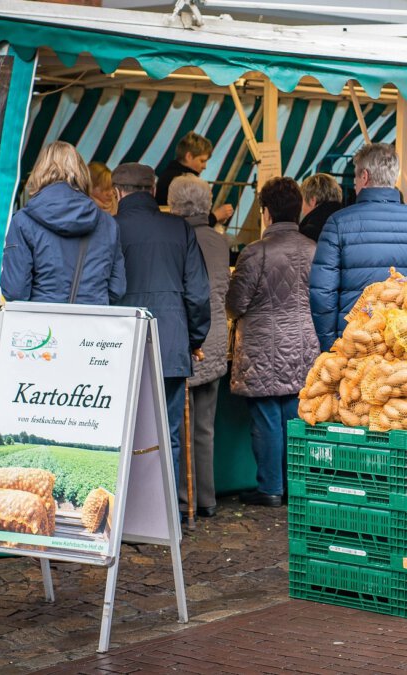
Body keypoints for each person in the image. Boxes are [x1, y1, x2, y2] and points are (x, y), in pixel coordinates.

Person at [113, 162, 211, 493]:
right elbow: (198, 294)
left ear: (116, 193)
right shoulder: (179, 229)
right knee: (168, 433)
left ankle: (125, 515)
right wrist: (193, 339)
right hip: (170, 344)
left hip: (117, 347)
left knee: (119, 430)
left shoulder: (108, 229)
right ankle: (167, 516)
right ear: (153, 191)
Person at [227, 177, 320, 507]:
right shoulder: (314, 250)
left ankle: (270, 487)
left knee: (266, 419)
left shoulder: (255, 253)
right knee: (295, 418)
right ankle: (295, 484)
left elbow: (236, 303)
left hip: (263, 348)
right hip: (304, 346)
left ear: (265, 213)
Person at [310, 143, 407, 351]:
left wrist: (331, 346)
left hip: (355, 346)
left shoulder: (338, 224)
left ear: (364, 176)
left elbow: (322, 295)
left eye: (356, 178)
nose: (355, 184)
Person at [168, 174, 229, 519]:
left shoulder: (176, 239)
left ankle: (183, 498)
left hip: (189, 340)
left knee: (179, 425)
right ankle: (206, 498)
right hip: (217, 339)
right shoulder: (220, 242)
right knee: (205, 426)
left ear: (175, 205)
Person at [1, 141, 125, 305]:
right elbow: (117, 289)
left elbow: (15, 291)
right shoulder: (108, 223)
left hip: (43, 326)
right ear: (82, 172)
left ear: (39, 171)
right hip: (92, 325)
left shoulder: (22, 221)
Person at [156, 131, 234, 226]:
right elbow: (190, 222)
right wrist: (216, 216)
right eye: (202, 161)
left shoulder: (167, 175)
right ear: (189, 156)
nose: (204, 166)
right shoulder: (182, 182)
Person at [299, 173, 343, 242]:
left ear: (312, 200)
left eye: (302, 201)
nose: (301, 207)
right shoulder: (349, 224)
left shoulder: (309, 233)